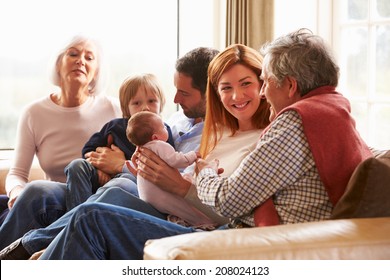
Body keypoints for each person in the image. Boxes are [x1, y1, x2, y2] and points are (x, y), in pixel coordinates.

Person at [37, 42, 276, 259]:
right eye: (226, 88)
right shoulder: (218, 132)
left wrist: (179, 186)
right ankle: (38, 250)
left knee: (93, 213)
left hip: (200, 226)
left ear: (263, 85)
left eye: (246, 83)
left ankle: (34, 253)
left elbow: (234, 214)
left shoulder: (266, 140)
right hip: (172, 208)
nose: (236, 95)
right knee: (103, 195)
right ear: (217, 93)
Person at [0, 47, 220, 259]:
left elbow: (177, 178)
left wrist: (120, 165)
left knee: (118, 186)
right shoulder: (177, 119)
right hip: (126, 184)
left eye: (184, 93)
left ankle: (43, 242)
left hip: (157, 198)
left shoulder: (216, 137)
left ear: (209, 93)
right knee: (37, 191)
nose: (175, 100)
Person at [0, 35, 121, 225]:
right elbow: (17, 174)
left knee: (36, 191)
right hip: (52, 200)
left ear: (96, 72)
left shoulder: (114, 108)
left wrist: (118, 164)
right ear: (58, 64)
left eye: (89, 58)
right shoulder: (34, 113)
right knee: (28, 196)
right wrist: (16, 194)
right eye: (73, 54)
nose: (80, 61)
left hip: (98, 196)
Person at [65, 74, 174, 210]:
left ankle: (82, 218)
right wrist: (100, 170)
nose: (145, 107)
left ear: (161, 103)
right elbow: (89, 149)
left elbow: (169, 165)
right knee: (76, 165)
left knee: (122, 181)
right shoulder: (115, 126)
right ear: (126, 108)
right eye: (137, 103)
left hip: (132, 181)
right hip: (102, 176)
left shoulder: (163, 131)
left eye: (152, 101)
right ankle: (75, 215)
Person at [126, 111, 204, 223]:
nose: (166, 128)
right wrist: (192, 155)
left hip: (146, 195)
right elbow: (175, 160)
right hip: (159, 195)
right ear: (155, 137)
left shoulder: (143, 148)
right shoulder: (159, 145)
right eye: (163, 127)